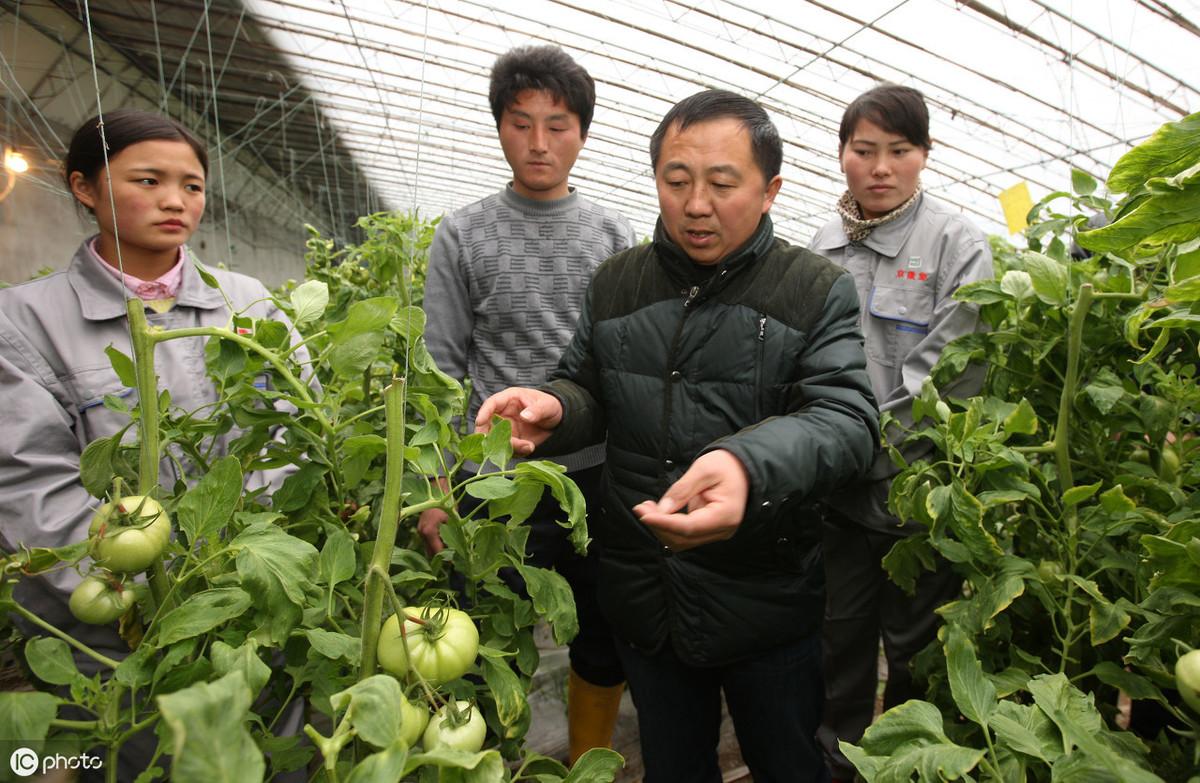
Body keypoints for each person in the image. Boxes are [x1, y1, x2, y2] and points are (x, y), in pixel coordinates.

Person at [474, 89, 880, 783]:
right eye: (676, 180)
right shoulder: (618, 282)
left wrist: (746, 463)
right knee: (673, 766)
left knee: (788, 763)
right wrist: (554, 406)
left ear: (769, 189)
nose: (696, 204)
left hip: (768, 598)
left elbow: (847, 420)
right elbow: (590, 385)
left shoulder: (814, 289)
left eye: (722, 184)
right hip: (645, 591)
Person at [0, 108, 302, 778]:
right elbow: (28, 484)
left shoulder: (248, 302)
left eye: (192, 186)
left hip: (247, 605)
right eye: (148, 180)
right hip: (117, 629)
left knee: (271, 753)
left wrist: (255, 566)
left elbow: (292, 434)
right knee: (144, 758)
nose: (175, 201)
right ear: (83, 186)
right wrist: (132, 588)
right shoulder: (23, 321)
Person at [416, 44, 636, 762]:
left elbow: (621, 364)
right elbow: (442, 365)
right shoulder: (463, 233)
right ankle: (486, 761)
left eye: (558, 124)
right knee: (484, 631)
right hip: (492, 477)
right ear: (499, 127)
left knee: (602, 632)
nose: (539, 143)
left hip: (595, 472)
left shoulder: (611, 235)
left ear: (583, 131)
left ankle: (587, 761)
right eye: (521, 123)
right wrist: (437, 486)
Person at [808, 84, 994, 782]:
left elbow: (948, 372)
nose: (881, 167)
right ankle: (840, 761)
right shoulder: (821, 247)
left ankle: (913, 764)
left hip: (914, 491)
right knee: (839, 636)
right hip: (835, 495)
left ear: (923, 156)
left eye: (899, 150)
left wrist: (857, 442)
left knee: (915, 645)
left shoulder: (955, 244)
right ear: (842, 157)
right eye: (864, 151)